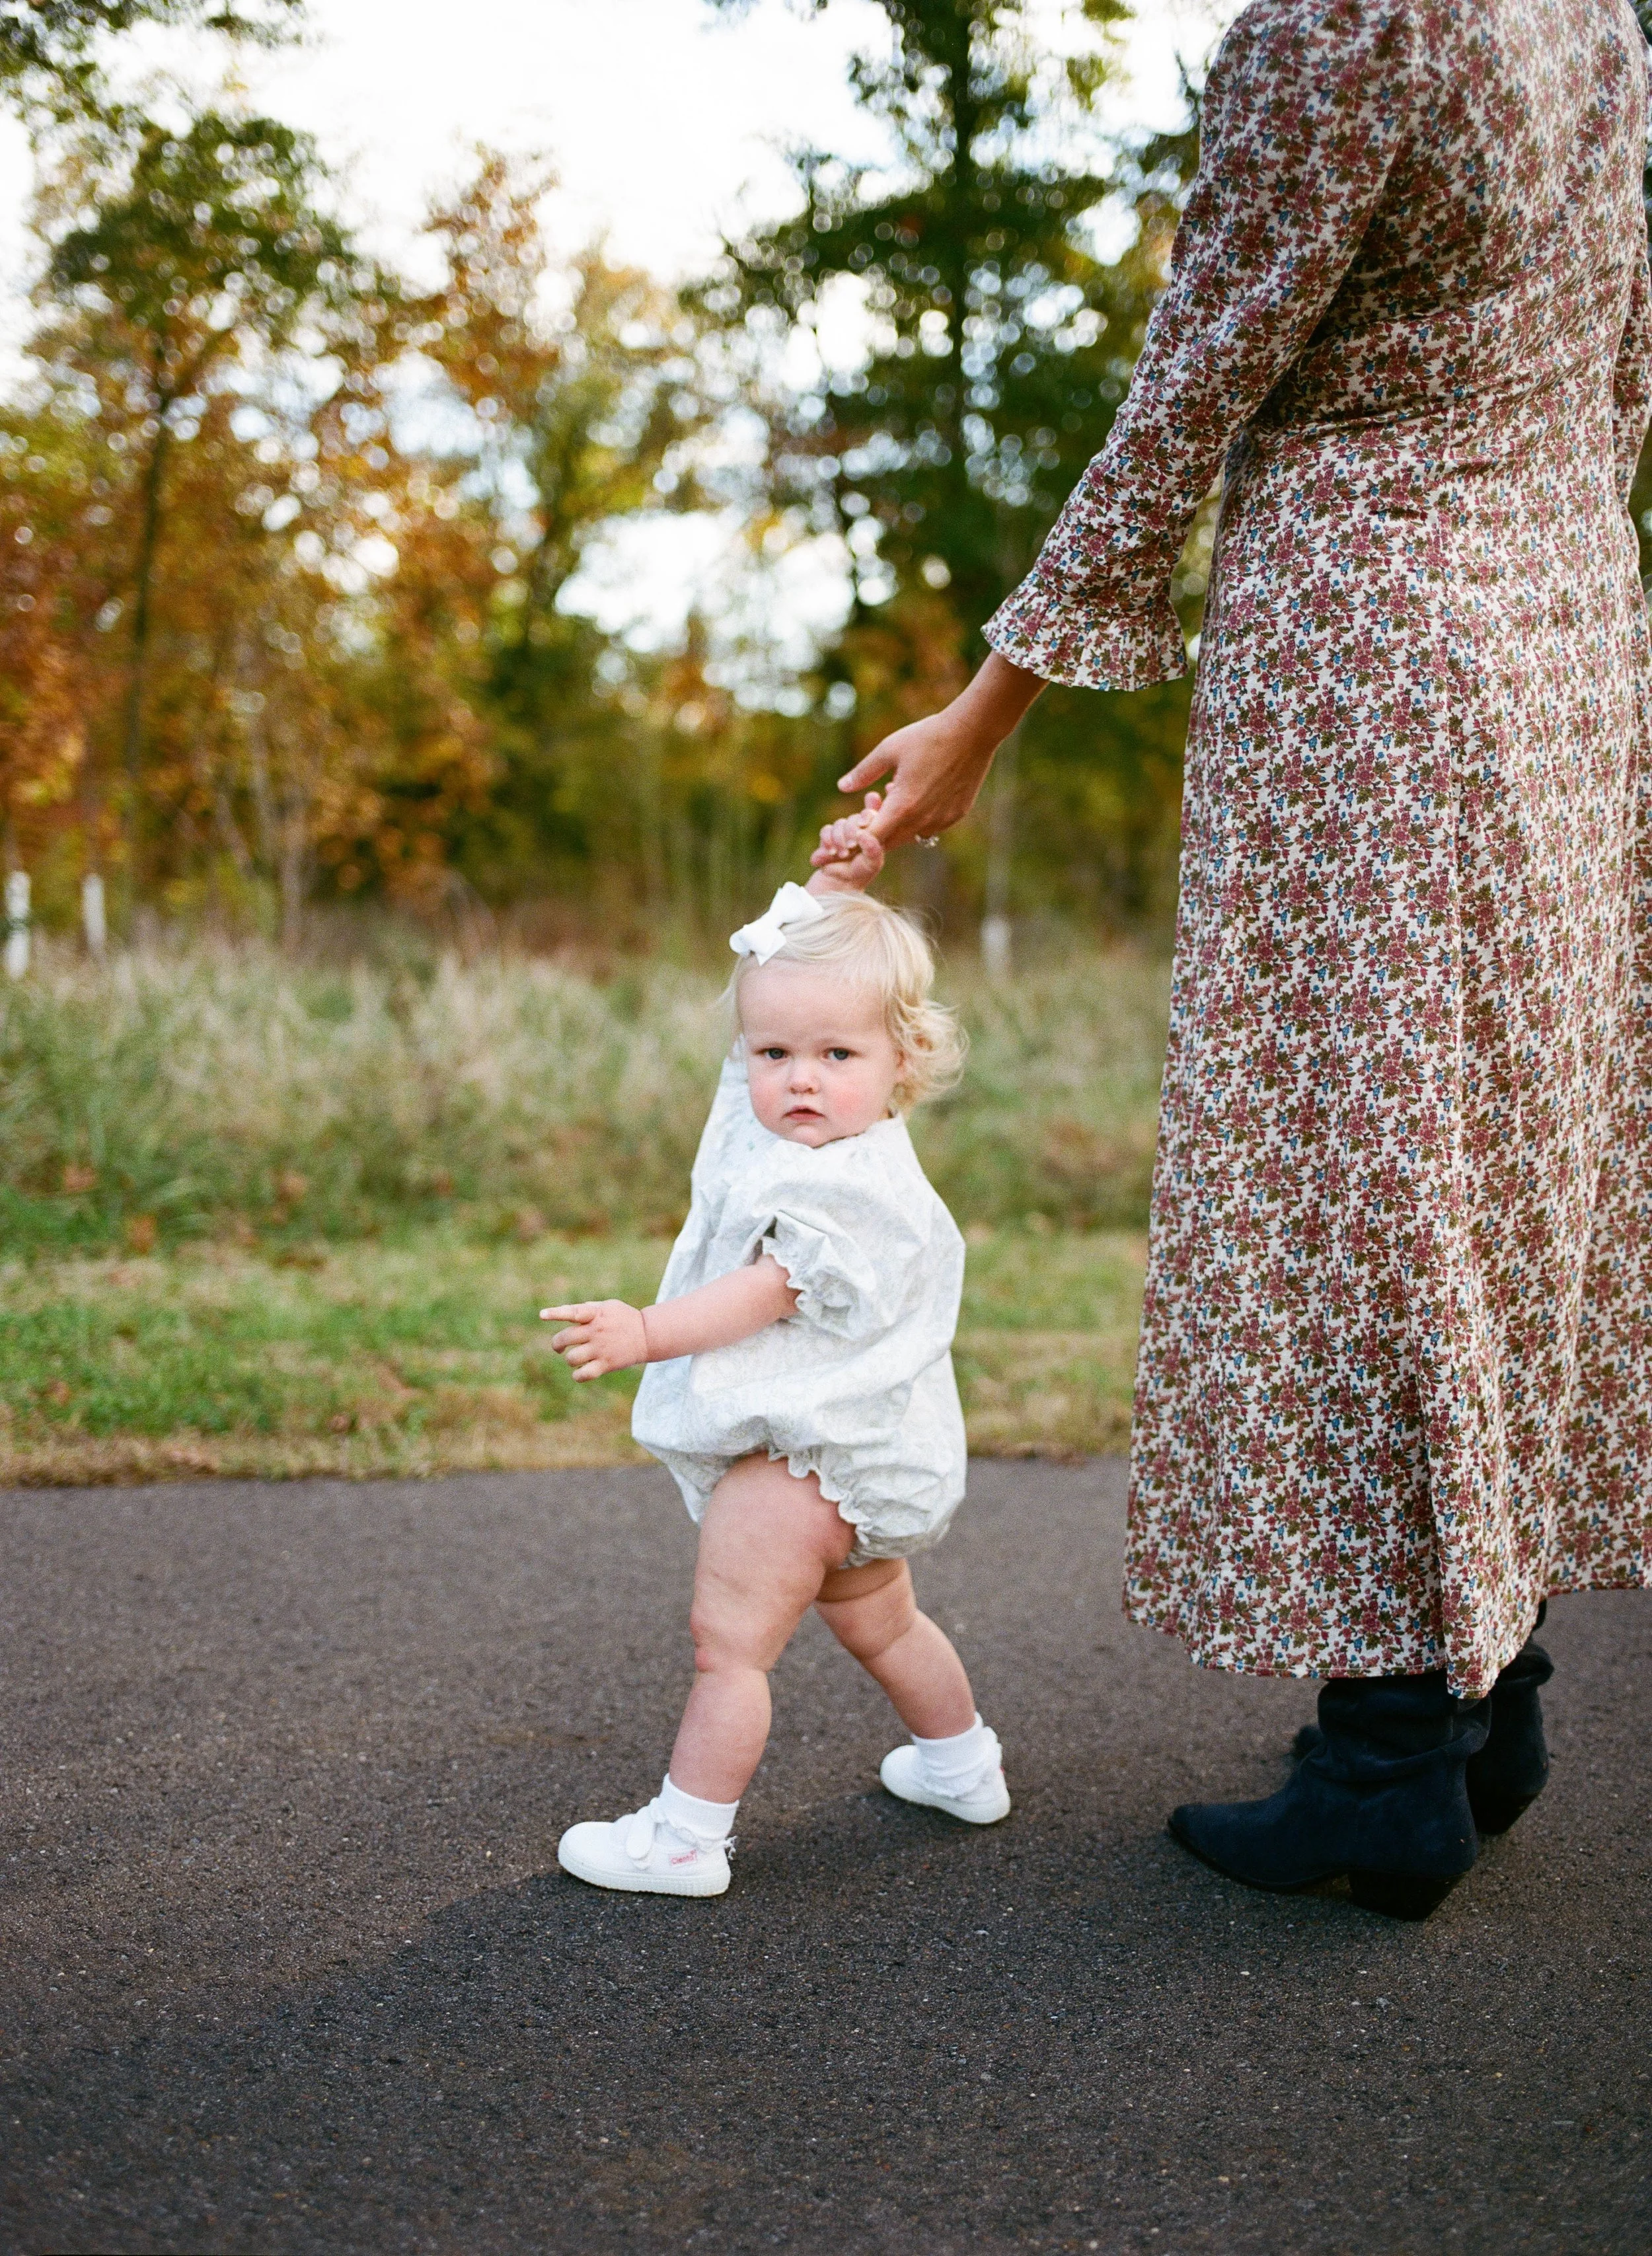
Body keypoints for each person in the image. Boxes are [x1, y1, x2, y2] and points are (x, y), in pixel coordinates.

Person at [815, 0, 1652, 1918]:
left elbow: (1197, 371)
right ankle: (1477, 1688)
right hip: (1563, 616)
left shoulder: (1344, 11)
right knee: (1500, 1157)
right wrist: (1576, 579)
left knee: (1356, 1168)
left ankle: (1383, 1757)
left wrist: (980, 709)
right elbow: (1619, 356)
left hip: (1376, 632)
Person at [543, 813, 1008, 1897]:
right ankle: (963, 1765)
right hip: (860, 1452)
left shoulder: (848, 1186)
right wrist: (825, 892)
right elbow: (775, 1003)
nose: (801, 1077)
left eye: (836, 1054)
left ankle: (686, 1839)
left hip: (801, 1462)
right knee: (881, 1618)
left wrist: (647, 1331)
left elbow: (765, 1291)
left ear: (905, 1063)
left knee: (731, 1648)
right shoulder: (789, 1124)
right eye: (775, 1054)